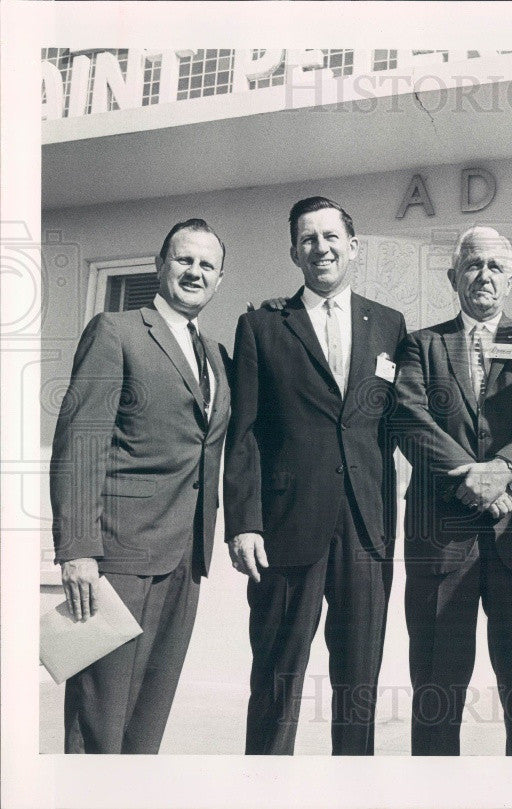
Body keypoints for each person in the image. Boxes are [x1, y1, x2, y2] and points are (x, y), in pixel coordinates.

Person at [224, 197, 406, 755]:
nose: (320, 248)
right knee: (277, 677)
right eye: (308, 239)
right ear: (294, 252)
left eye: (331, 237)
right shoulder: (261, 325)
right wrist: (244, 523)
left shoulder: (391, 325)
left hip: (366, 528)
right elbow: (246, 432)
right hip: (286, 527)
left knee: (359, 683)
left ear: (353, 247)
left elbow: (402, 422)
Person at [51, 218, 229, 753]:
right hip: (119, 554)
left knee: (149, 715)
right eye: (184, 259)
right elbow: (81, 443)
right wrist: (78, 550)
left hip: (185, 558)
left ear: (219, 281)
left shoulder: (217, 356)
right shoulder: (116, 330)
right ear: (159, 264)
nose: (194, 272)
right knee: (99, 717)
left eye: (207, 265)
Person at [393, 226, 512, 755]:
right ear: (454, 276)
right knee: (436, 686)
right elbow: (408, 417)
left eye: (496, 267)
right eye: (473, 265)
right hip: (440, 544)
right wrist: (477, 476)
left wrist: (504, 470)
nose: (484, 275)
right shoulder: (421, 344)